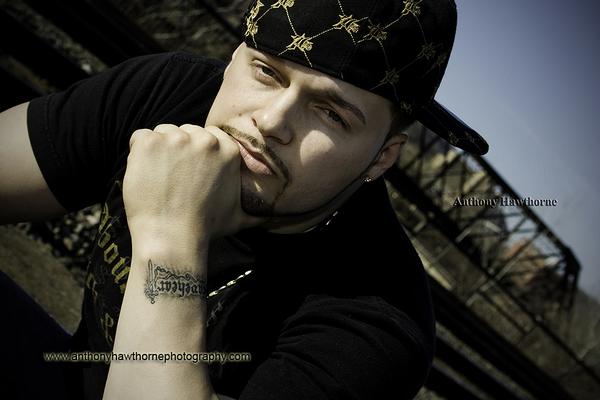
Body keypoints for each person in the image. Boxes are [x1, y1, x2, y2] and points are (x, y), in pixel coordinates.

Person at [0, 0, 488, 399]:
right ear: (234, 59)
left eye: (332, 114)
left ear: (381, 158)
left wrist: (170, 234)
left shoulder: (379, 325)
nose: (272, 122)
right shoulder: (169, 93)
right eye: (267, 73)